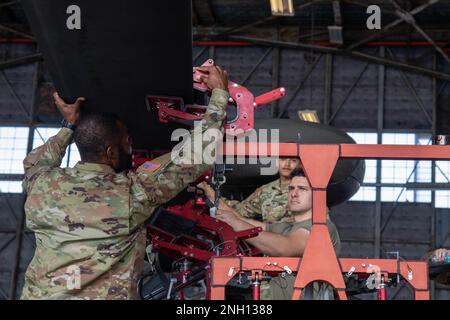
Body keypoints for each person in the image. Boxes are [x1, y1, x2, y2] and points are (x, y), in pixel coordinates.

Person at [21, 66, 229, 300]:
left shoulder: (42, 185)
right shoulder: (131, 195)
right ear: (110, 152)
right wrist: (220, 94)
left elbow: (34, 162)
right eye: (126, 141)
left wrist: (68, 127)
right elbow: (198, 154)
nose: (130, 146)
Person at [215, 167, 341, 300]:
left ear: (319, 195)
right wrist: (209, 192)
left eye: (302, 189)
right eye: (291, 188)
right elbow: (244, 221)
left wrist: (237, 225)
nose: (294, 194)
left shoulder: (322, 227)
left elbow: (285, 247)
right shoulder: (288, 229)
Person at [199, 157, 302, 223]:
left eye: (293, 160)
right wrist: (210, 192)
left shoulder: (308, 189)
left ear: (300, 164)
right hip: (272, 250)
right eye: (283, 159)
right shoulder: (266, 190)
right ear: (276, 162)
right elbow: (240, 211)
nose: (287, 164)